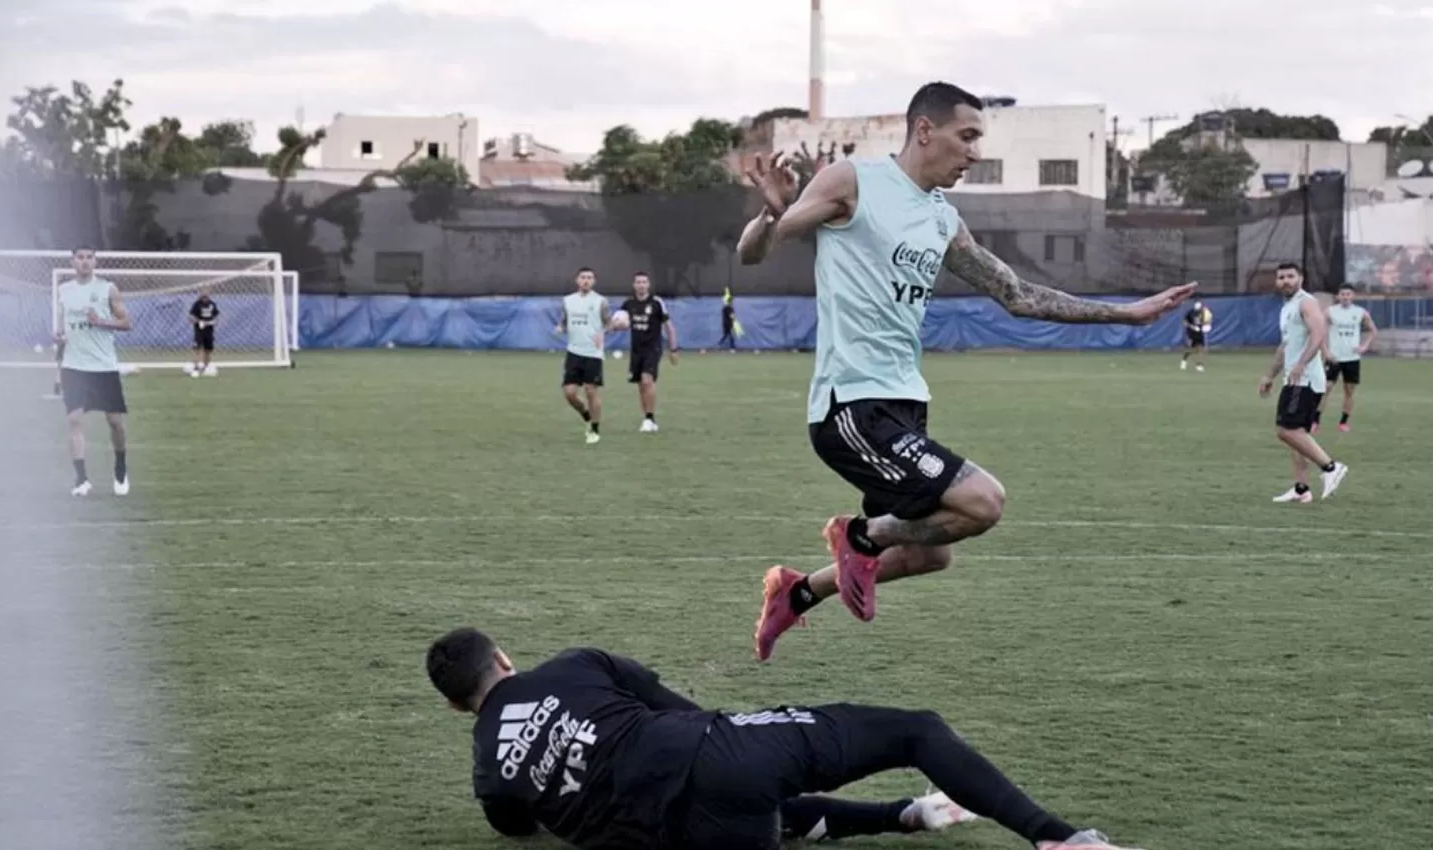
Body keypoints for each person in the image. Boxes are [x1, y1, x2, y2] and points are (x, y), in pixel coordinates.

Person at [735, 81, 1197, 660]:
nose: (974, 153)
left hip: (904, 405)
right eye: (968, 136)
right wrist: (767, 215)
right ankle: (857, 535)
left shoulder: (942, 220)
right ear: (925, 131)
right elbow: (755, 252)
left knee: (931, 553)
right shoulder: (855, 182)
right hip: (850, 406)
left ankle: (797, 592)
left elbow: (1019, 294)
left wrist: (1127, 314)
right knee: (982, 502)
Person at [426, 627, 1145, 850]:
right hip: (710, 754)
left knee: (738, 810)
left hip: (671, 837)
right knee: (915, 730)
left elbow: (520, 831)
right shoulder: (576, 665)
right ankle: (1058, 840)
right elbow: (678, 710)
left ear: (462, 708)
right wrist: (730, 740)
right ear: (506, 661)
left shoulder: (491, 775)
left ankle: (906, 816)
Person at [1258, 263, 1348, 504]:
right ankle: (1301, 488)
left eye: (1290, 276)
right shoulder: (1287, 308)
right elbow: (1285, 346)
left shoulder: (1306, 302)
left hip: (1305, 379)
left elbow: (1318, 333)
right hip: (1295, 378)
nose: (1285, 280)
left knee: (1286, 430)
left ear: (1300, 278)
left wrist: (1301, 363)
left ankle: (1331, 468)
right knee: (1299, 433)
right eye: (1281, 277)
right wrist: (1269, 375)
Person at [55, 246, 133, 496]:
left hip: (103, 366)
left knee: (115, 423)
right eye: (80, 257)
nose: (85, 262)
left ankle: (120, 468)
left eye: (89, 257)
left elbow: (127, 323)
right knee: (74, 420)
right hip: (74, 366)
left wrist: (101, 322)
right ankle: (81, 479)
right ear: (72, 261)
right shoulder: (63, 291)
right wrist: (59, 338)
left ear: (95, 261)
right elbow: (62, 328)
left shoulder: (108, 289)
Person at [618, 272, 680, 432]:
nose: (641, 285)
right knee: (641, 385)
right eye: (638, 282)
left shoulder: (656, 303)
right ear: (634, 285)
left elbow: (669, 327)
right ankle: (648, 418)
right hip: (636, 350)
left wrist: (673, 348)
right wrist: (613, 326)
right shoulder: (628, 304)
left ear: (648, 285)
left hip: (653, 348)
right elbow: (617, 322)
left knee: (647, 380)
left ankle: (650, 418)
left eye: (644, 282)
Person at [556, 267, 609, 445]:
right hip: (574, 352)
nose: (586, 280)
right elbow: (564, 321)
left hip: (593, 353)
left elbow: (608, 323)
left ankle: (594, 428)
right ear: (577, 280)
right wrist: (560, 328)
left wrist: (604, 332)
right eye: (583, 277)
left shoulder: (601, 301)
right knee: (570, 394)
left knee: (591, 390)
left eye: (589, 278)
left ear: (594, 281)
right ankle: (586, 415)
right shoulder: (568, 301)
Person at [1315, 283, 1377, 432]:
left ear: (1353, 296)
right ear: (1338, 296)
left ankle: (1343, 422)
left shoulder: (1360, 312)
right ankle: (1315, 420)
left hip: (1352, 358)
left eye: (1348, 294)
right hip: (1334, 358)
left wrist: (1364, 346)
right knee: (1325, 388)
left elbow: (1373, 330)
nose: (1345, 297)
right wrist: (1326, 351)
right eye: (1342, 294)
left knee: (1349, 391)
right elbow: (1320, 332)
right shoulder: (1330, 311)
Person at [188, 287, 221, 377]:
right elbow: (191, 317)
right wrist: (199, 322)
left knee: (208, 349)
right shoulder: (197, 304)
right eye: (203, 293)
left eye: (207, 293)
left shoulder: (212, 304)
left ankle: (207, 367)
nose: (205, 295)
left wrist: (213, 322)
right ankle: (197, 367)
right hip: (199, 331)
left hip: (209, 331)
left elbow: (217, 316)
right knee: (198, 348)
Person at [1179, 299, 1212, 371]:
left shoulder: (1204, 312)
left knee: (1201, 349)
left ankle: (1199, 365)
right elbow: (1185, 322)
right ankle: (1184, 360)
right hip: (1191, 333)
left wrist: (1207, 326)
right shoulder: (1190, 313)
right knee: (1191, 349)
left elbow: (1207, 321)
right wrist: (1192, 327)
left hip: (1200, 333)